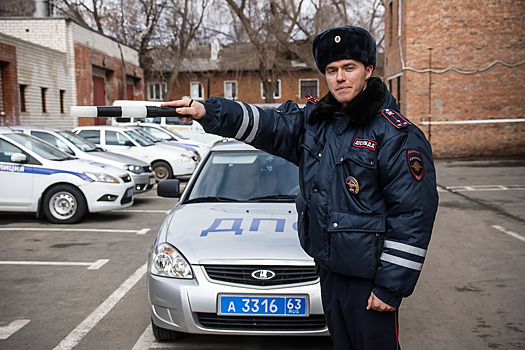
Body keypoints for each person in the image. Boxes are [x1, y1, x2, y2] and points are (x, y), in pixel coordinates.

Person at [163, 25, 439, 349]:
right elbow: (268, 124)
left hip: (369, 281)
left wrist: (391, 287)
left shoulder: (395, 134)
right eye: (332, 70)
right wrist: (208, 111)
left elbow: (413, 214)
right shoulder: (316, 124)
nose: (340, 78)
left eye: (349, 68)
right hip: (329, 271)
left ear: (368, 70)